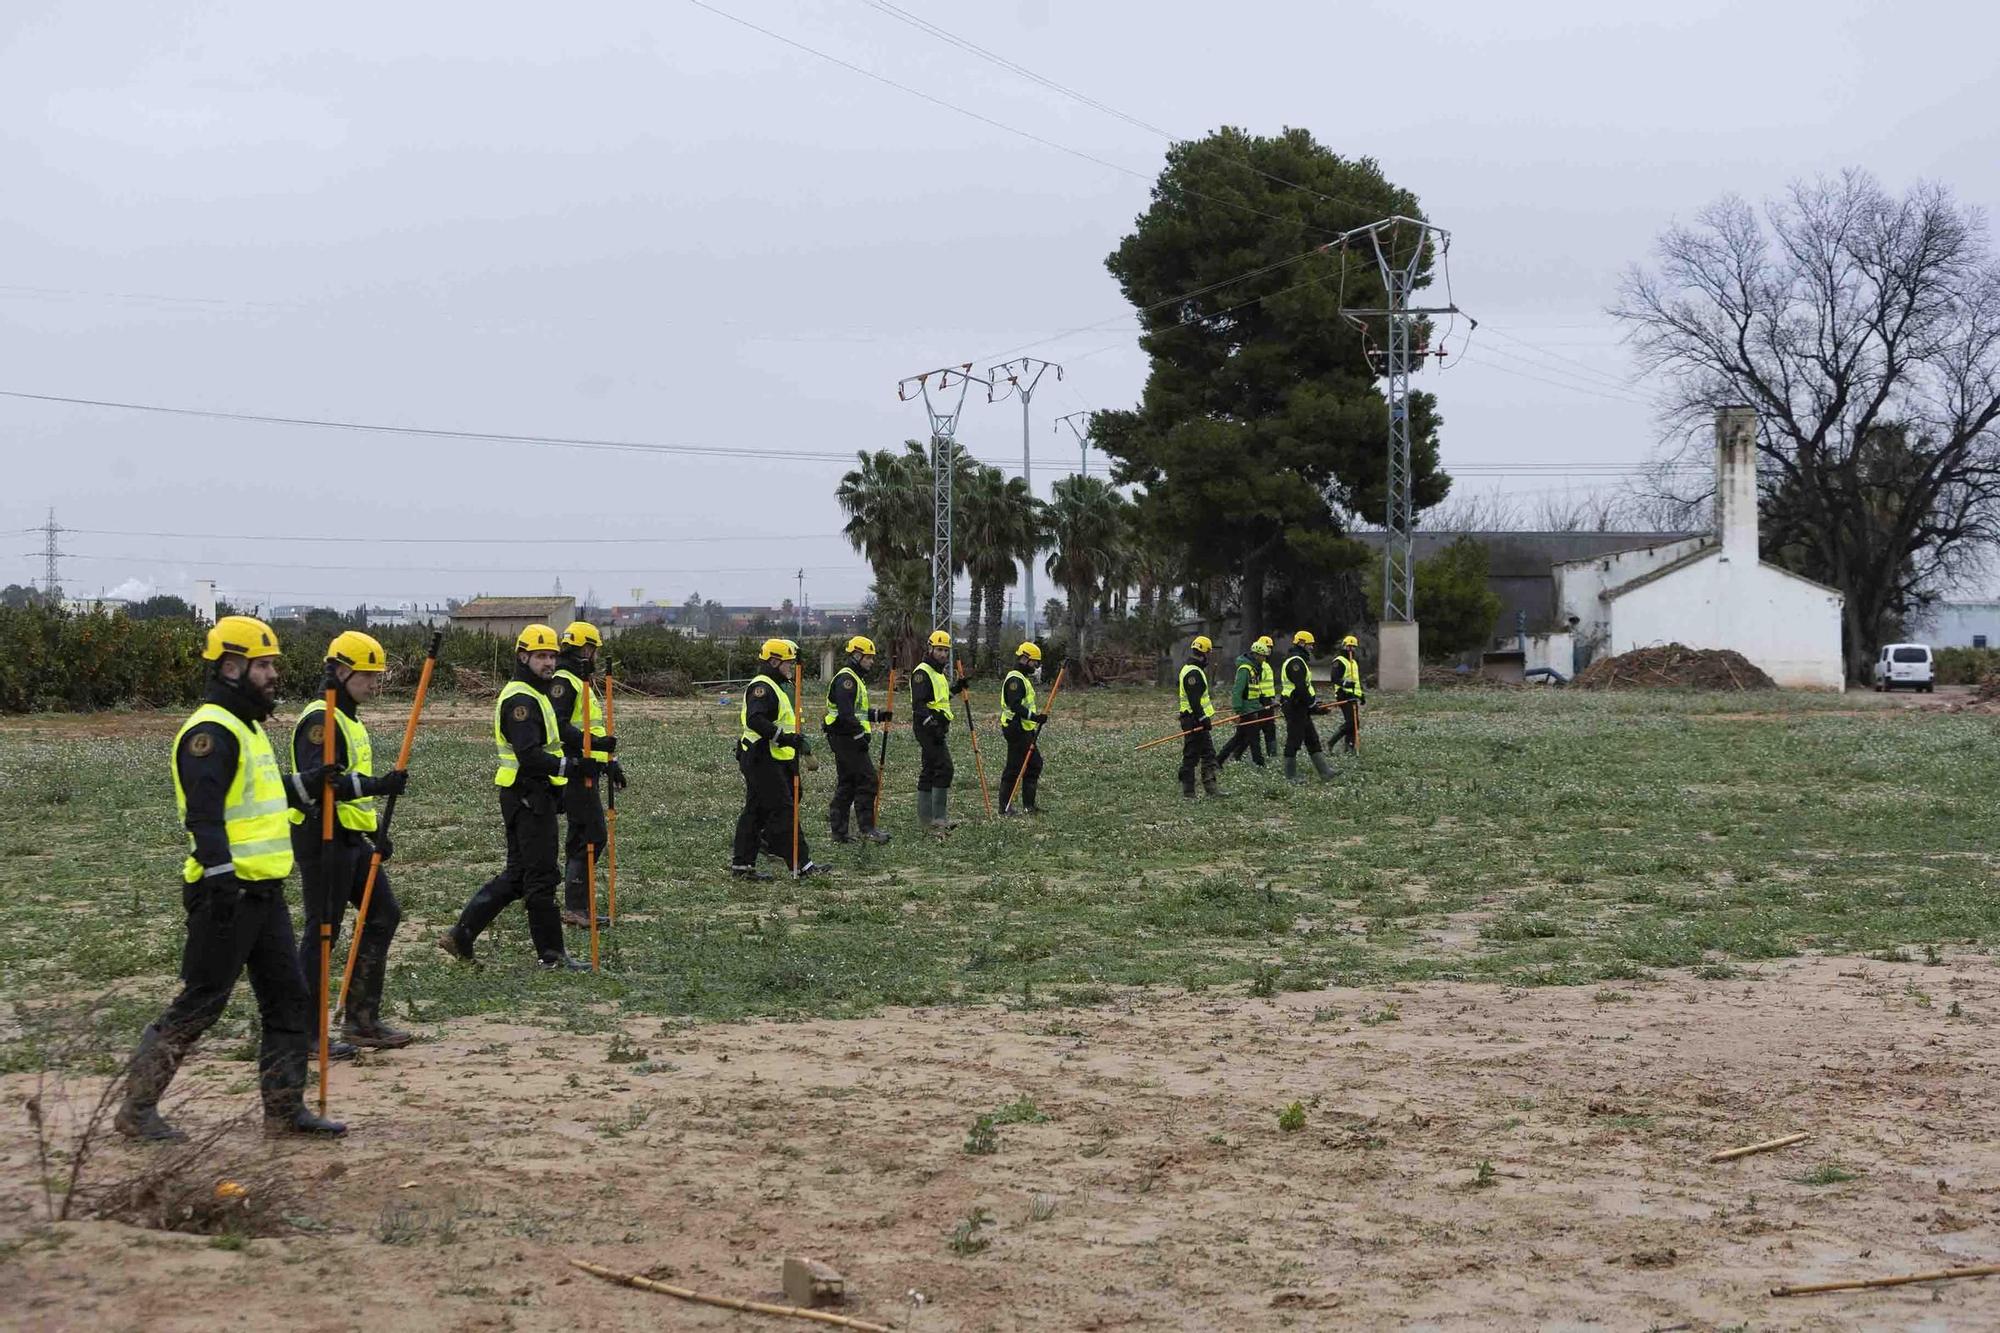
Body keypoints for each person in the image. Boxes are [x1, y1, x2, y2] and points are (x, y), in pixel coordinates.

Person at [115, 615, 348, 1141]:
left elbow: (260, 797)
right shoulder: (210, 732)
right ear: (230, 666)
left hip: (264, 893)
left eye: (273, 665)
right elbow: (204, 816)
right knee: (200, 1002)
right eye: (263, 665)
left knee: (288, 1001)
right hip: (227, 895)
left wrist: (309, 783)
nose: (272, 675)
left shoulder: (248, 728)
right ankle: (137, 1109)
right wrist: (220, 878)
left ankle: (285, 1112)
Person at [289, 631, 413, 1063]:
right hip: (320, 838)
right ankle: (305, 1033)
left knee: (383, 913)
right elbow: (324, 782)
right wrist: (380, 785)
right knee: (322, 934)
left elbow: (350, 787)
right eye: (368, 676)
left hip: (351, 837)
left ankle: (361, 1019)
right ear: (341, 672)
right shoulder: (320, 720)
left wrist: (374, 828)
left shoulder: (350, 717)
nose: (375, 685)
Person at [438, 624, 590, 970]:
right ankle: (552, 955)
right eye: (541, 656)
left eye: (552, 655)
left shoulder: (537, 693)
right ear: (523, 657)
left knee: (518, 876)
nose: (549, 662)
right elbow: (531, 755)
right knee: (541, 877)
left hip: (531, 794)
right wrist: (570, 767)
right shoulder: (521, 699)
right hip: (527, 795)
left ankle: (462, 934)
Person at [548, 621, 624, 928]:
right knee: (592, 835)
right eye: (591, 649)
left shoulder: (580, 679)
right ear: (583, 648)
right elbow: (559, 725)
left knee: (581, 836)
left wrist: (611, 760)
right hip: (575, 770)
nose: (593, 655)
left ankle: (577, 906)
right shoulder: (564, 680)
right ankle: (575, 908)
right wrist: (592, 745)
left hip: (590, 766)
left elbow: (592, 725)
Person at [732, 638, 827, 878]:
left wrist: (796, 744)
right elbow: (755, 719)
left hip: (774, 757)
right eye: (788, 663)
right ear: (774, 662)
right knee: (784, 810)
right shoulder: (762, 687)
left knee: (756, 811)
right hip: (760, 756)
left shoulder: (778, 685)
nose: (790, 667)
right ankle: (802, 866)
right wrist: (783, 737)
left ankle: (742, 866)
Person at [823, 635, 892, 844]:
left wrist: (878, 715)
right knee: (867, 780)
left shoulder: (854, 678)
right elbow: (845, 714)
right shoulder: (847, 680)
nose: (871, 662)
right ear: (857, 655)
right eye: (868, 658)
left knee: (848, 783)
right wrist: (859, 735)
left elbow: (857, 711)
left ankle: (840, 831)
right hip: (846, 739)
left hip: (845, 738)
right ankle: (867, 829)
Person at [910, 629, 970, 832]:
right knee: (944, 768)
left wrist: (957, 688)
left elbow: (941, 699)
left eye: (946, 650)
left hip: (938, 726)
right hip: (928, 728)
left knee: (929, 769)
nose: (943, 654)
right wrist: (930, 724)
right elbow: (919, 704)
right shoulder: (922, 672)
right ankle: (938, 818)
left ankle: (927, 820)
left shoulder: (938, 673)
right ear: (930, 649)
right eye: (939, 650)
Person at [997, 641, 1049, 815]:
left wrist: (1034, 721)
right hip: (1015, 729)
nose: (1035, 667)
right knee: (1014, 768)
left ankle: (1029, 806)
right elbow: (1015, 706)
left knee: (1033, 764)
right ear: (1025, 659)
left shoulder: (1023, 679)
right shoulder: (1015, 680)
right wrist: (1035, 717)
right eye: (1034, 663)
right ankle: (1005, 808)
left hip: (1025, 729)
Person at [1280, 630, 1337, 782]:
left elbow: (1305, 688)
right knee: (1294, 739)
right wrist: (1312, 704)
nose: (1312, 648)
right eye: (1310, 645)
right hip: (1294, 706)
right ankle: (1290, 776)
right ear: (1301, 643)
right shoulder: (1295, 662)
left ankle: (1325, 772)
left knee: (1312, 738)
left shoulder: (1300, 661)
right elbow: (1300, 687)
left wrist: (1313, 705)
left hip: (1301, 706)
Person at [1215, 635, 1276, 768]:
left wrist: (1263, 704)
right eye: (1263, 656)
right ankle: (1260, 764)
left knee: (1239, 738)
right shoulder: (1245, 669)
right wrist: (1237, 710)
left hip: (1253, 708)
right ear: (1256, 655)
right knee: (1254, 739)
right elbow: (1237, 691)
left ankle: (1218, 760)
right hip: (1246, 710)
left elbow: (1255, 691)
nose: (1264, 659)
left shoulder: (1254, 669)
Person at [1177, 635, 1224, 799]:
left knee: (1208, 753)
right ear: (1204, 652)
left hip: (1195, 718)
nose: (1210, 656)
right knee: (1191, 755)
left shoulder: (1192, 669)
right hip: (1193, 719)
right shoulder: (1194, 673)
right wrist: (1203, 718)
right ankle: (1188, 793)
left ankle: (1211, 789)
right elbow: (1194, 701)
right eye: (1209, 652)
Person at [1328, 634, 1365, 753]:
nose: (1351, 649)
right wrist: (1345, 684)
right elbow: (1334, 678)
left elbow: (1357, 681)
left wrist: (1361, 695)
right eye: (1349, 646)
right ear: (1344, 646)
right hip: (1343, 694)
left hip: (1353, 695)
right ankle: (1332, 742)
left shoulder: (1353, 662)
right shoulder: (1339, 661)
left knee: (1355, 722)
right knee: (1350, 722)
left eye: (1353, 647)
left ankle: (1349, 746)